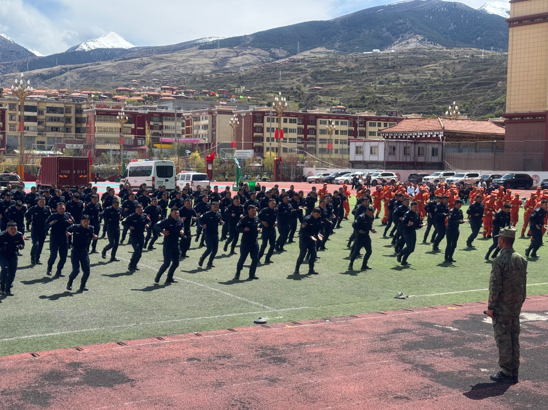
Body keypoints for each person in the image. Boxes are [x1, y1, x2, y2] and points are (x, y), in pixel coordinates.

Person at [486, 228, 527, 384]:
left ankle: (506, 372)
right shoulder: (521, 259)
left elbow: (495, 286)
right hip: (515, 306)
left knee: (503, 340)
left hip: (502, 307)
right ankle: (514, 371)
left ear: (502, 240)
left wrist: (491, 307)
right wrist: (520, 301)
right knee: (514, 338)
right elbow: (523, 284)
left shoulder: (499, 261)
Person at [66, 214, 97, 292]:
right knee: (76, 270)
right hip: (75, 251)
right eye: (84, 221)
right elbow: (68, 230)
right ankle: (70, 281)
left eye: (88, 221)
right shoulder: (75, 227)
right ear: (81, 221)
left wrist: (94, 236)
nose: (86, 223)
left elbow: (91, 234)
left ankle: (83, 285)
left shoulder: (90, 228)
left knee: (87, 271)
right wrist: (67, 233)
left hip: (84, 252)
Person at [154, 209, 184, 285]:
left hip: (176, 244)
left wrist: (182, 230)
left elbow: (182, 226)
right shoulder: (167, 220)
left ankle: (169, 278)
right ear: (171, 214)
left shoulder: (180, 220)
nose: (177, 215)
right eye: (175, 213)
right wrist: (162, 231)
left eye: (178, 213)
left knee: (176, 263)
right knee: (167, 263)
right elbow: (155, 226)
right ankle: (158, 276)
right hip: (168, 244)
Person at [45, 203, 74, 277]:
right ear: (57, 209)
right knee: (53, 255)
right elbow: (45, 226)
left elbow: (74, 225)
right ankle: (49, 268)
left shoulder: (68, 215)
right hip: (54, 238)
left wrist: (71, 224)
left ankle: (59, 271)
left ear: (65, 209)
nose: (61, 210)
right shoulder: (53, 216)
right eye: (60, 208)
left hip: (64, 239)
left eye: (63, 208)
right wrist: (50, 224)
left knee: (63, 257)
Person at [234, 205, 260, 281]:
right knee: (242, 258)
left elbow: (257, 225)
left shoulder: (256, 218)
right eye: (252, 211)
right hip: (245, 243)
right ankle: (237, 273)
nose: (254, 212)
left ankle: (252, 274)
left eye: (255, 211)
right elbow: (237, 228)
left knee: (255, 259)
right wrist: (243, 230)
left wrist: (258, 229)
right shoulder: (244, 219)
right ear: (248, 211)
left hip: (254, 242)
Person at [294, 207, 323, 276]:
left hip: (313, 239)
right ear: (312, 213)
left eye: (319, 215)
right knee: (302, 255)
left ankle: (311, 270)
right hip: (304, 239)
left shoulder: (319, 218)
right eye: (316, 214)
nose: (317, 216)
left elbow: (318, 228)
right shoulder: (307, 219)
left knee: (313, 254)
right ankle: (297, 269)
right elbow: (302, 231)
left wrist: (318, 234)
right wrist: (310, 236)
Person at [122, 205, 150, 273]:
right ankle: (131, 264)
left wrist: (148, 224)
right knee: (137, 250)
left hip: (141, 236)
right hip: (133, 236)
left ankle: (134, 265)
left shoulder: (144, 215)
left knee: (139, 253)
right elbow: (123, 222)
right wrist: (129, 226)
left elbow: (149, 221)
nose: (140, 211)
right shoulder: (131, 216)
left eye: (141, 209)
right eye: (138, 210)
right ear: (135, 210)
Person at [0, 221, 25, 296]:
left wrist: (20, 246)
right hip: (3, 255)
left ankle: (8, 289)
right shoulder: (2, 236)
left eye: (15, 229)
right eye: (11, 229)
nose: (13, 231)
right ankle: (2, 286)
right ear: (7, 229)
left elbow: (22, 244)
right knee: (5, 268)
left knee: (12, 273)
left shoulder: (19, 235)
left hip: (13, 255)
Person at [348, 206, 376, 271]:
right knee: (356, 251)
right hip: (359, 237)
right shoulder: (361, 217)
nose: (371, 215)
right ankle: (350, 264)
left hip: (366, 237)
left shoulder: (371, 217)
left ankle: (364, 265)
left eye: (372, 213)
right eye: (371, 213)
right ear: (367, 211)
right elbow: (354, 225)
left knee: (369, 251)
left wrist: (371, 229)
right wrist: (358, 231)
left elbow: (370, 225)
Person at [25, 196, 51, 265]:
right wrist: (30, 221)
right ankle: (32, 257)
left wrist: (49, 225)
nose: (42, 203)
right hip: (35, 229)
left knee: (41, 245)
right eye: (41, 202)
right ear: (37, 202)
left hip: (43, 230)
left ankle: (37, 258)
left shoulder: (47, 209)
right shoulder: (33, 208)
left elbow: (50, 217)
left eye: (43, 202)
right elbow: (27, 214)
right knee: (36, 244)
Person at [198, 202, 224, 268]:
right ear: (211, 207)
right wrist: (203, 225)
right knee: (209, 249)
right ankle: (202, 258)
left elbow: (219, 219)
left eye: (217, 207)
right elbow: (200, 220)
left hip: (215, 234)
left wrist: (221, 222)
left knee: (215, 250)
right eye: (214, 207)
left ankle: (210, 262)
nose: (216, 208)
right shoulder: (206, 214)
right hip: (208, 234)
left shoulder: (218, 214)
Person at [397, 201, 422, 266]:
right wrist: (407, 225)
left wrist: (421, 225)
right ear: (411, 207)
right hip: (406, 232)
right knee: (409, 247)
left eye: (416, 207)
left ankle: (404, 261)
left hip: (413, 232)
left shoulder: (417, 214)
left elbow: (417, 225)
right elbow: (402, 225)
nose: (416, 208)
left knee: (412, 249)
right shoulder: (407, 214)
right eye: (414, 207)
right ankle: (400, 253)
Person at [445, 199, 465, 263]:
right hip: (450, 229)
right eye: (459, 205)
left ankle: (450, 257)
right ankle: (446, 258)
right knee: (449, 244)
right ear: (455, 204)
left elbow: (461, 219)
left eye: (461, 205)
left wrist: (462, 221)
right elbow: (450, 222)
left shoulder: (460, 211)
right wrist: (458, 221)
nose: (460, 206)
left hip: (456, 229)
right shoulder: (451, 211)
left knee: (454, 245)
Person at [258, 198, 277, 264]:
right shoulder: (264, 210)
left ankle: (267, 259)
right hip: (265, 230)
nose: (273, 205)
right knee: (264, 245)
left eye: (274, 204)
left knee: (273, 245)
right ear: (268, 203)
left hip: (272, 230)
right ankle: (258, 258)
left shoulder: (276, 210)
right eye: (272, 203)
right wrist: (262, 221)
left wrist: (276, 221)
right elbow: (258, 217)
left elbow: (277, 217)